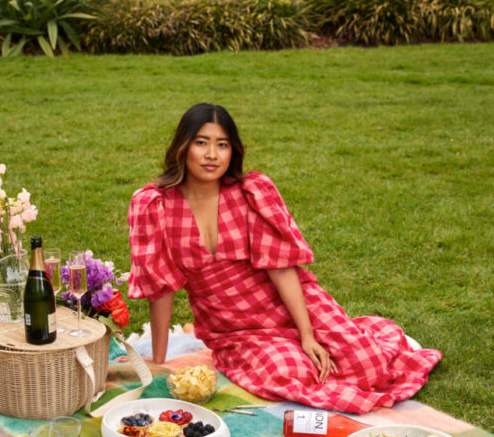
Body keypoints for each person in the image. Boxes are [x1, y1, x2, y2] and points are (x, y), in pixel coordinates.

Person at [127, 103, 442, 414]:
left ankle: (370, 339)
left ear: (232, 151)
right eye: (202, 143)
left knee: (368, 368)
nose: (212, 155)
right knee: (289, 372)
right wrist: (158, 359)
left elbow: (281, 268)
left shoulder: (252, 192)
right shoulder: (154, 206)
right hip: (235, 328)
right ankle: (315, 346)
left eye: (222, 145)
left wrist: (307, 335)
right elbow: (161, 286)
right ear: (183, 147)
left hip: (290, 303)